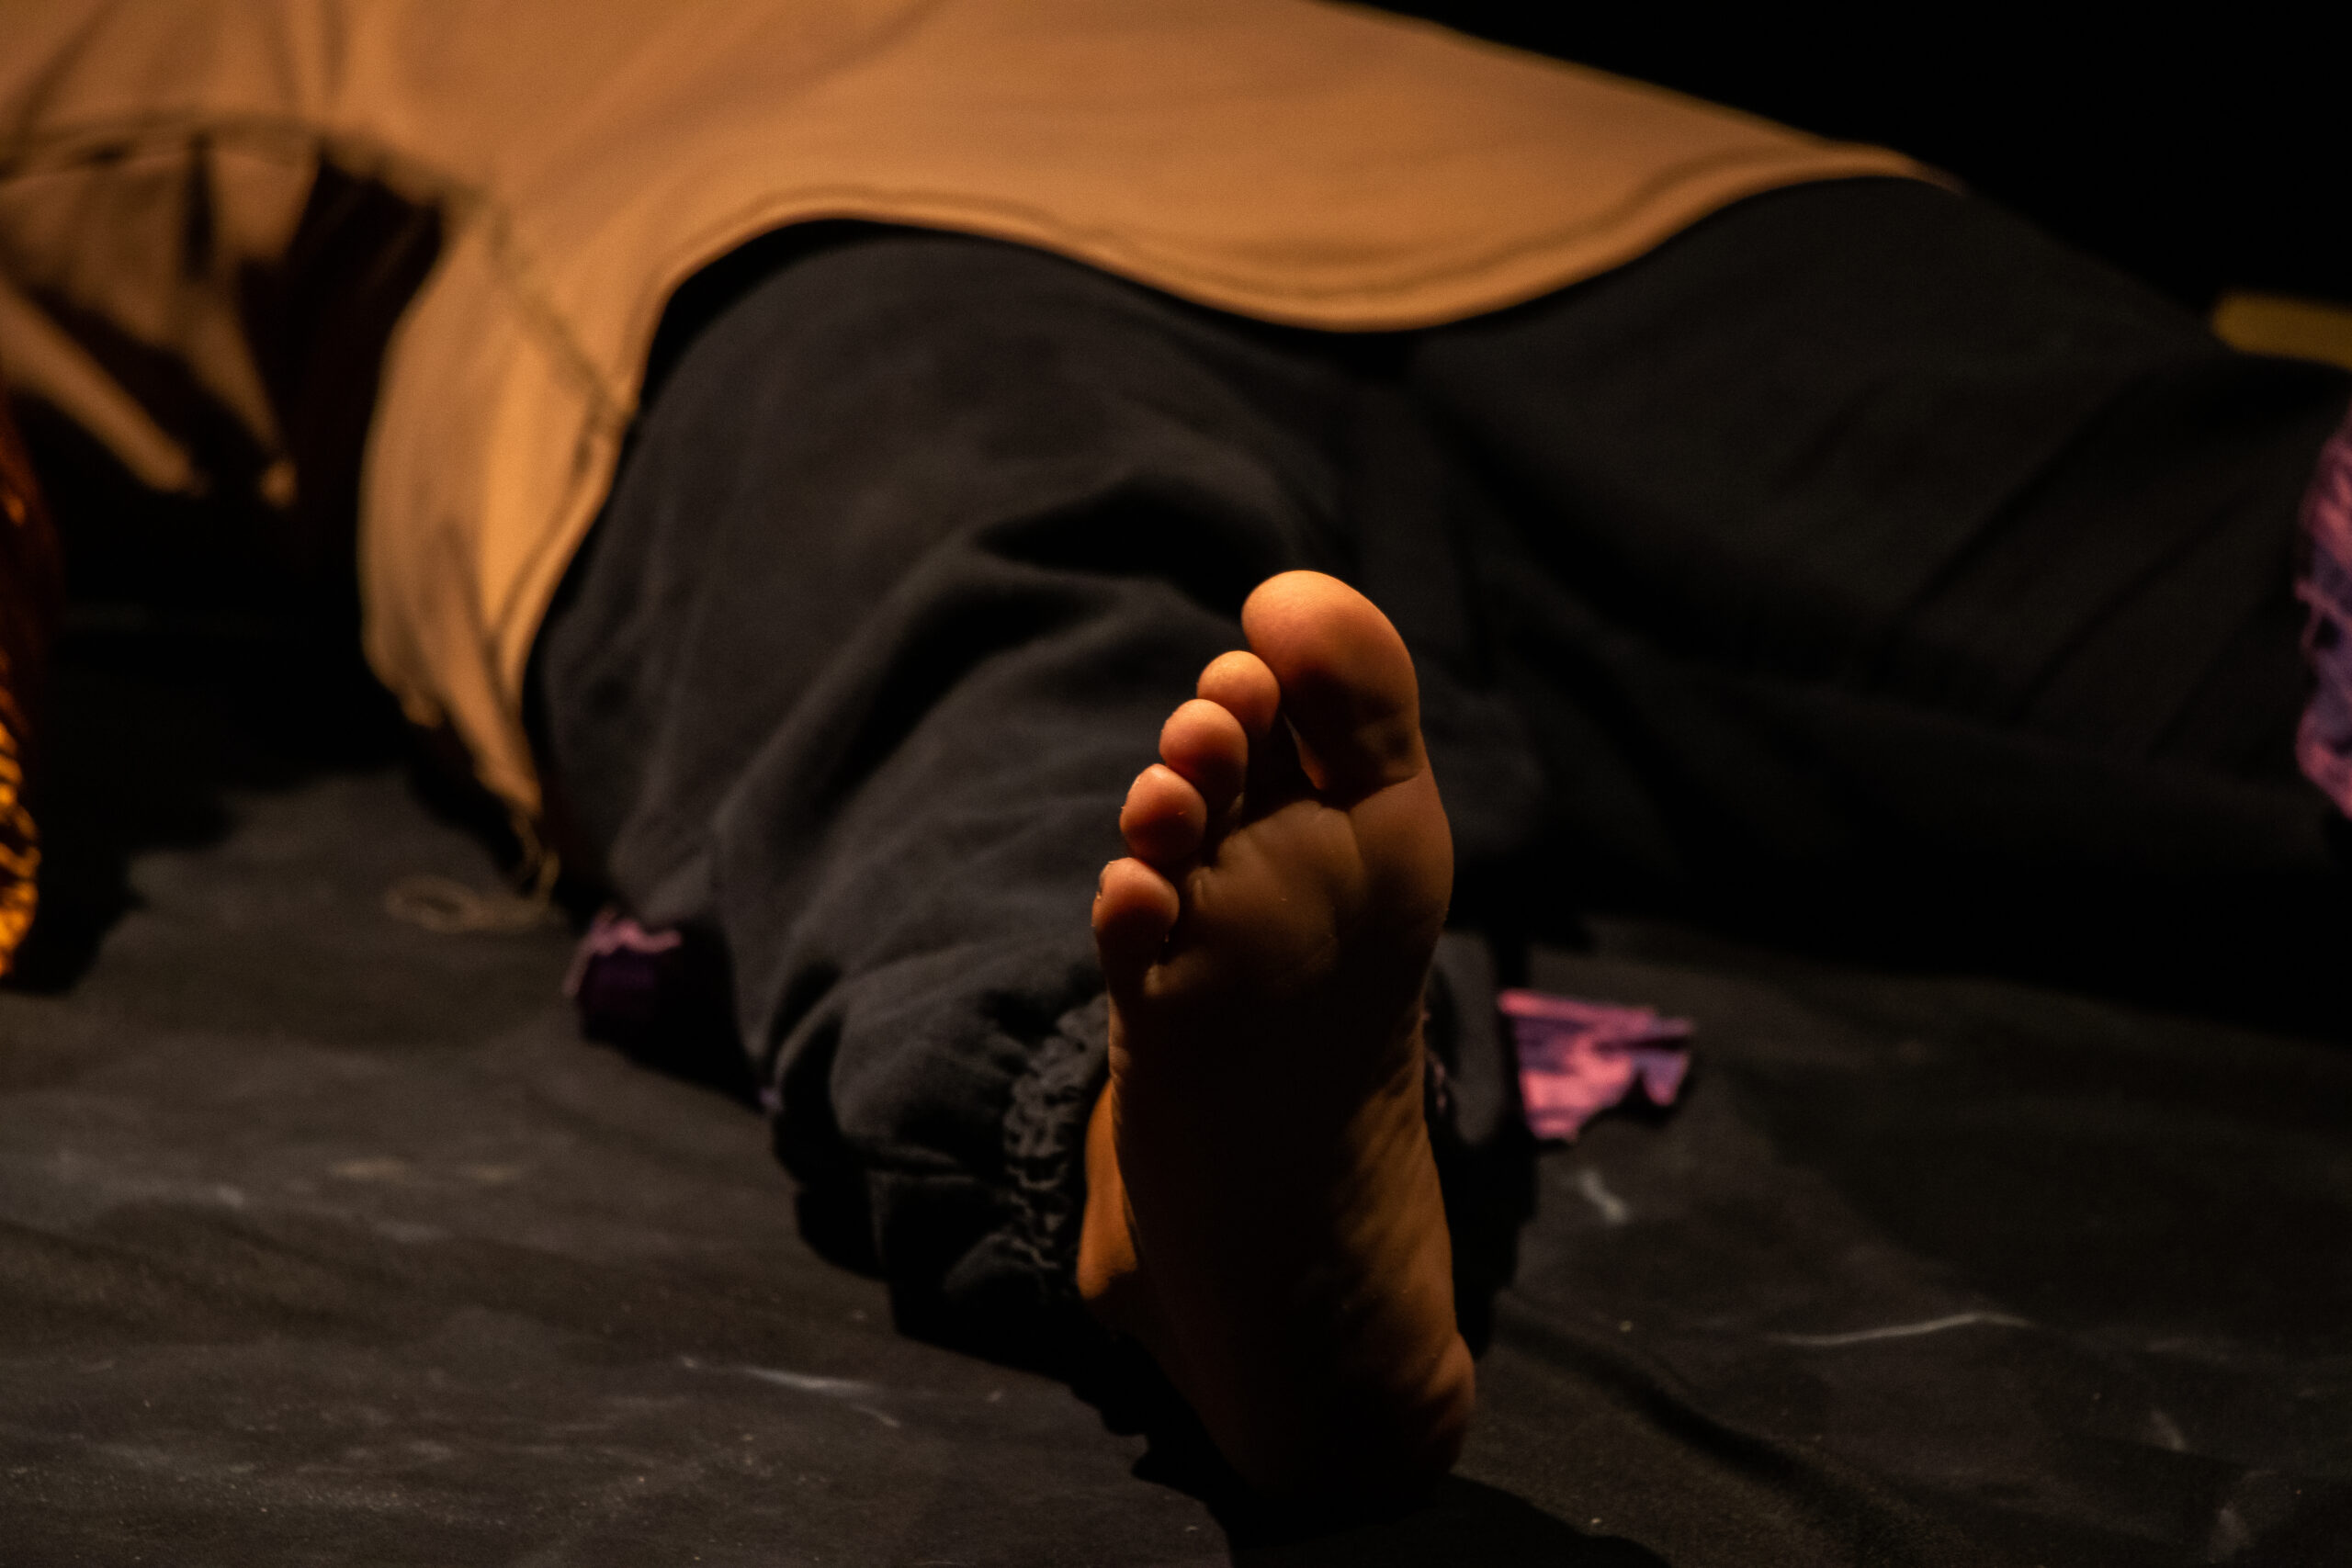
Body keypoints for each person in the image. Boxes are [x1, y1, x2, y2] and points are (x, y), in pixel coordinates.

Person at [4, 0, 2348, 1505]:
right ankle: (1158, 1149)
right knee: (2216, 543)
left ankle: (1153, 1142)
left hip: (915, 210)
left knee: (998, 647)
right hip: (1282, 167)